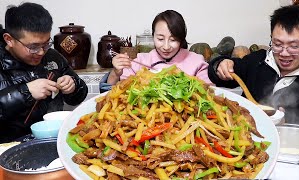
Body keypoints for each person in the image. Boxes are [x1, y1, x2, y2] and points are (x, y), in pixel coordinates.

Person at [208, 5, 299, 132]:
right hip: (244, 136)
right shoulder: (258, 60)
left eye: (294, 46)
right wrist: (220, 65)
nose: (284, 53)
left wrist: (289, 122)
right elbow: (218, 74)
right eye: (277, 44)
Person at [0, 2, 88, 143]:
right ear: (9, 39)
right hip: (9, 146)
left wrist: (73, 86)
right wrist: (25, 92)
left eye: (46, 43)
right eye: (33, 47)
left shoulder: (52, 56)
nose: (41, 52)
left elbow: (78, 96)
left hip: (54, 140)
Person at [100, 10, 212, 92]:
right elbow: (113, 93)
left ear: (181, 39)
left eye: (173, 40)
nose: (166, 46)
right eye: (160, 39)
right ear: (153, 36)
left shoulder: (197, 62)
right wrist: (115, 73)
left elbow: (209, 93)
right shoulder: (138, 62)